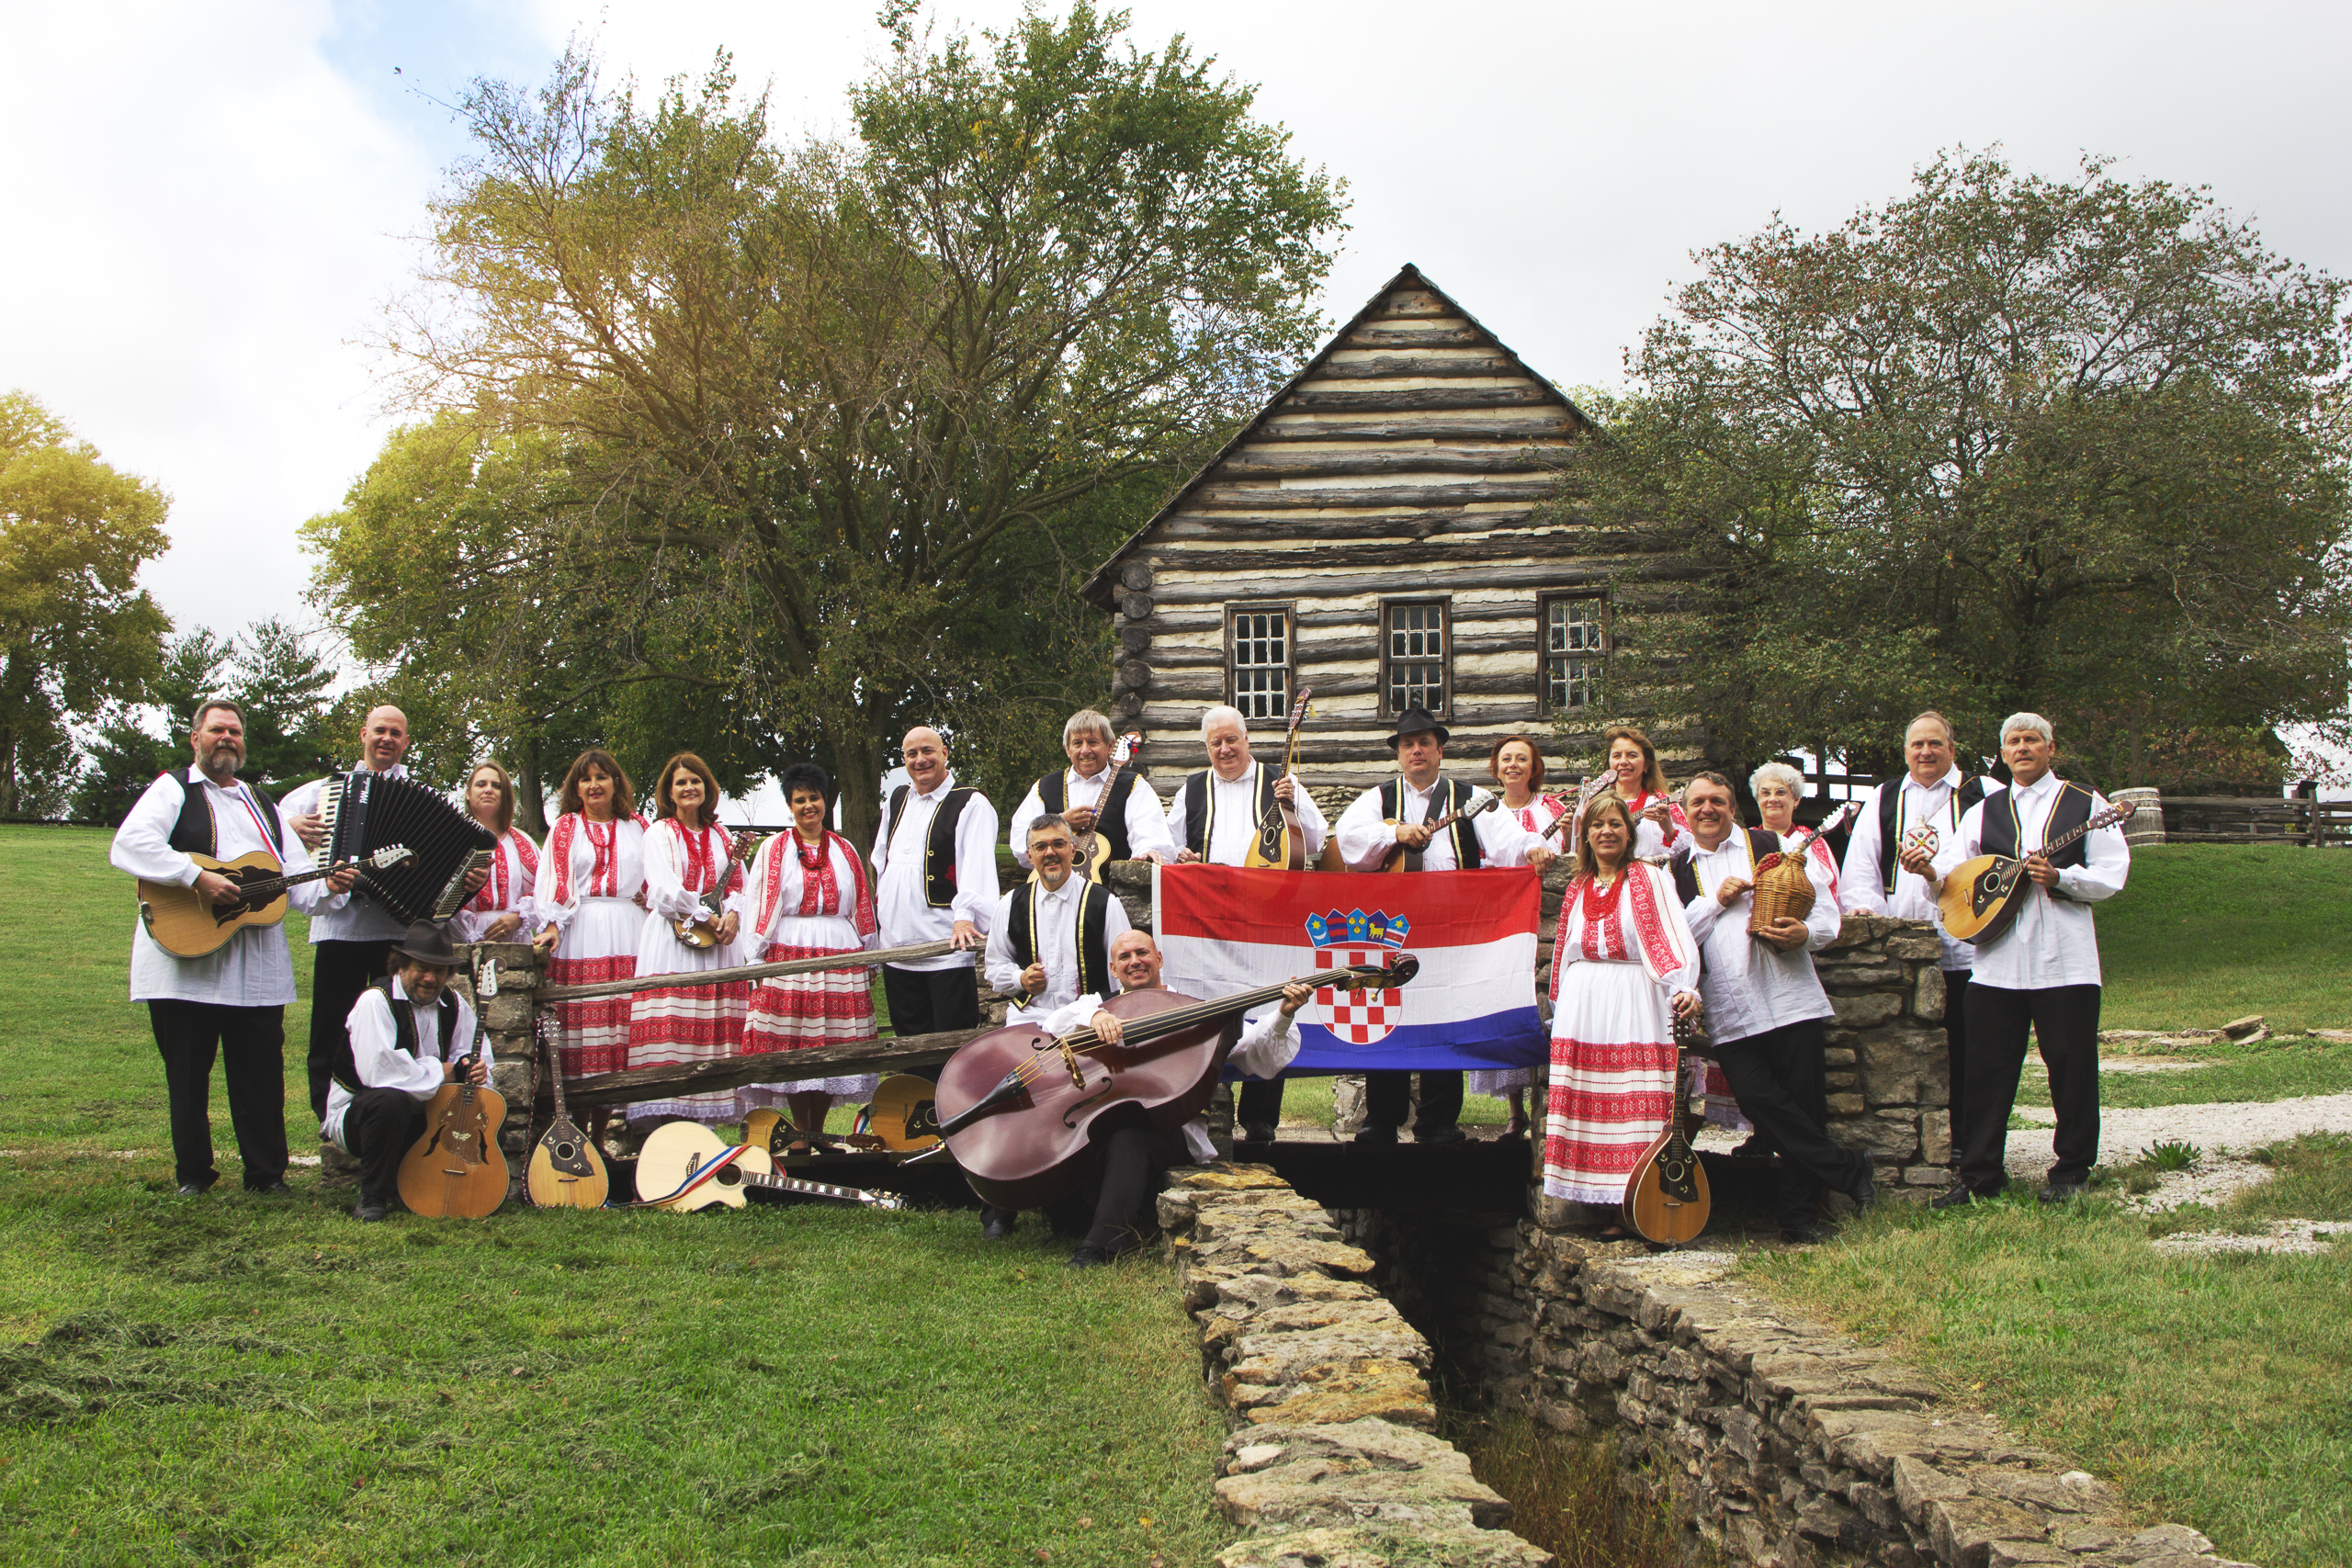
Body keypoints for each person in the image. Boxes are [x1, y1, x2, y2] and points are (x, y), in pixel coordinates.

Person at [109, 700, 357, 1195]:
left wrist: (330, 886)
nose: (227, 738)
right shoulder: (173, 788)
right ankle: (194, 1175)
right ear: (195, 737)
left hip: (255, 970)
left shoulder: (263, 805)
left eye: (236, 732)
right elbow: (130, 843)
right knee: (187, 1076)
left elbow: (294, 884)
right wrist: (196, 877)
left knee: (261, 1076)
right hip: (183, 964)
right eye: (217, 729)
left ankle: (266, 1175)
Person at [1928, 713, 2130, 1207]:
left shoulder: (2086, 805)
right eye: (2013, 741)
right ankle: (1980, 1175)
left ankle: (2071, 1171)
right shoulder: (1983, 811)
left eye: (2032, 740)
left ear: (2050, 748)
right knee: (1986, 1069)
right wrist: (1929, 874)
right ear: (2003, 752)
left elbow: (2113, 871)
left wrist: (2063, 879)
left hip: (2065, 957)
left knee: (2070, 1064)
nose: (2022, 748)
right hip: (1997, 962)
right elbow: (1957, 879)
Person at [1334, 707, 1555, 1145]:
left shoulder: (1469, 797)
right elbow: (1346, 840)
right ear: (1398, 754)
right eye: (1408, 744)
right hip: (1392, 928)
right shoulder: (1379, 799)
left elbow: (1509, 839)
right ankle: (1382, 1118)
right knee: (1387, 1012)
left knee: (1445, 1015)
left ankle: (1438, 1121)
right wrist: (1393, 835)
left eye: (1425, 743)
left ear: (1439, 750)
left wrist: (1534, 847)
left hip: (1452, 926)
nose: (1416, 750)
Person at [1674, 773, 1875, 1243]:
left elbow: (1826, 911)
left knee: (1804, 1109)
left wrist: (1807, 934)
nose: (1708, 809)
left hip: (1788, 997)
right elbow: (1675, 938)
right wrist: (1714, 903)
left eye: (1717, 801)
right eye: (1698, 802)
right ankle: (1848, 1168)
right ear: (1685, 811)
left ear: (1732, 807)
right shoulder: (1678, 869)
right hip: (1730, 1010)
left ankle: (1798, 1219)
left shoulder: (1773, 845)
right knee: (1759, 1104)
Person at [1035, 931, 1315, 1267]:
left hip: (1170, 1131)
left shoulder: (1191, 1011)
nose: (1135, 961)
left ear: (1160, 960)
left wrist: (1283, 1014)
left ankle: (1101, 1247)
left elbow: (1256, 1050)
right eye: (1124, 957)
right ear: (1113, 968)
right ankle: (1067, 1222)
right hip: (1111, 1120)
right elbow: (1052, 1024)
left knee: (1128, 1141)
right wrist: (1094, 1018)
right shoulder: (1100, 1004)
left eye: (1142, 953)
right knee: (1070, 1132)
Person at [1166, 704, 1329, 1144]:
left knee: (1267, 1008)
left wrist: (1294, 805)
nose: (1224, 749)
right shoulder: (1193, 789)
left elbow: (1315, 841)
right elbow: (1169, 846)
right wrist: (1180, 856)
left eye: (1231, 739)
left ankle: (1261, 1120)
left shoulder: (1279, 781)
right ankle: (1210, 1109)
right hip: (1211, 921)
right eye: (1215, 742)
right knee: (1212, 1010)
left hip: (1267, 920)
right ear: (1207, 747)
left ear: (1246, 740)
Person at [1839, 711, 1996, 1170]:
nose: (1925, 752)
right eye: (1916, 745)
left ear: (1952, 747)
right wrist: (1881, 929)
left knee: (1971, 1048)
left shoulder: (1983, 794)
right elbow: (1862, 870)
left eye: (1934, 744)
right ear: (1905, 751)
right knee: (1911, 1050)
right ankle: (1913, 1142)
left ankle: (1971, 1140)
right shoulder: (1885, 798)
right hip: (1905, 953)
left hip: (1971, 947)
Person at [1542, 794, 1703, 1236]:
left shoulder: (1648, 877)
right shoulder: (1578, 886)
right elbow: (1564, 949)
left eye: (1615, 824)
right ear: (1586, 835)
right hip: (1584, 1000)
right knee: (1590, 1100)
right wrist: (1560, 1002)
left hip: (1635, 993)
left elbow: (1670, 931)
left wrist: (1682, 984)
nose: (1606, 832)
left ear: (1629, 833)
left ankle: (1638, 1203)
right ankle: (1602, 1204)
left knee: (1636, 1096)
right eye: (1597, 825)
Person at [978, 813, 1137, 1240]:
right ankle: (999, 1207)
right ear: (1029, 855)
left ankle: (1066, 1196)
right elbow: (994, 967)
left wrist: (1101, 1015)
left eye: (1058, 844)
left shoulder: (1104, 902)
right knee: (1008, 1102)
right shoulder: (1011, 904)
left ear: (1074, 849)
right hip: (1028, 1022)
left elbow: (1122, 972)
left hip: (1086, 1025)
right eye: (1041, 846)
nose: (1050, 853)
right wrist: (1019, 980)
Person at [283, 705, 445, 1123]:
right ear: (363, 735)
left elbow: (444, 859)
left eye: (396, 732)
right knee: (330, 1026)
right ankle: (329, 1117)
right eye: (379, 730)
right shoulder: (324, 790)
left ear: (406, 742)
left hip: (394, 931)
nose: (386, 739)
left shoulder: (420, 797)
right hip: (339, 928)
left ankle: (391, 1112)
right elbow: (273, 831)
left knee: (397, 1023)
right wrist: (295, 825)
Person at [741, 762, 881, 1150]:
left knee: (830, 1048)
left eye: (813, 798)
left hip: (838, 948)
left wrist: (870, 953)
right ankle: (801, 1132)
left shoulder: (845, 849)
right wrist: (756, 954)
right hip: (790, 948)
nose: (807, 806)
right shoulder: (774, 849)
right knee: (796, 1045)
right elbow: (760, 902)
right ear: (790, 806)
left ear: (825, 801)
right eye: (799, 800)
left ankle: (815, 1130)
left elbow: (862, 902)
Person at [321, 920, 482, 1223]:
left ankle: (437, 1184)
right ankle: (373, 1196)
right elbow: (380, 1073)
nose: (430, 978)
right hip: (361, 1117)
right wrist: (448, 1072)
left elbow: (474, 1050)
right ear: (401, 966)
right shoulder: (375, 1001)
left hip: (425, 1116)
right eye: (422, 968)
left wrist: (473, 1067)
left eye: (439, 971)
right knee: (389, 1101)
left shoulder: (454, 1003)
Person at [626, 751, 752, 1128]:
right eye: (680, 782)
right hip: (672, 940)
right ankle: (666, 1124)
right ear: (669, 791)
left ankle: (705, 1125)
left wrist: (733, 915)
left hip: (717, 945)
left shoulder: (722, 835)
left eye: (695, 780)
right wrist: (706, 914)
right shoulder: (658, 833)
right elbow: (664, 889)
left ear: (706, 787)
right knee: (673, 1021)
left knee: (712, 1025)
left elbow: (741, 883)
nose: (688, 788)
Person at [533, 750, 648, 1149]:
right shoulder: (566, 827)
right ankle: (578, 1135)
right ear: (576, 788)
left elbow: (654, 880)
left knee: (620, 1029)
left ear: (617, 783)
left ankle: (604, 1134)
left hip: (630, 930)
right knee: (583, 1033)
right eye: (586, 779)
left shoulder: (638, 827)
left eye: (602, 777)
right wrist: (552, 923)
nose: (594, 784)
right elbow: (554, 878)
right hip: (581, 929)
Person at [871, 726, 1000, 1042]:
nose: (920, 760)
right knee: (909, 1041)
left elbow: (977, 865)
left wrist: (964, 917)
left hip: (944, 946)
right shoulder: (897, 799)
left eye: (928, 751)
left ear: (945, 753)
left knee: (952, 1045)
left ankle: (950, 1094)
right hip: (898, 946)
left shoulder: (971, 803)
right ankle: (917, 1094)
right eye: (911, 754)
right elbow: (881, 861)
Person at [1474, 734, 1568, 1136]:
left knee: (1541, 1003)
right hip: (1497, 914)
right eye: (1506, 759)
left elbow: (1564, 855)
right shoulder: (1484, 810)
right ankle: (1515, 1112)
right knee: (1504, 1000)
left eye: (1522, 759)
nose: (1513, 765)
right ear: (1495, 767)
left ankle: (1544, 1106)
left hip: (1543, 916)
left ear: (1535, 768)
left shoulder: (1553, 810)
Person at [1007, 709, 1174, 873]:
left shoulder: (1133, 785)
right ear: (1067, 749)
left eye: (1093, 742)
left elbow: (1150, 832)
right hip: (1053, 889)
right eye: (1077, 743)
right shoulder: (1044, 786)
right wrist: (1058, 824)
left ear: (1110, 746)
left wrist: (1148, 852)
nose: (1085, 750)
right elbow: (1020, 844)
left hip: (1112, 891)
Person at [450, 761, 539, 944]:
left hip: (514, 939)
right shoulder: (452, 840)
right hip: (461, 939)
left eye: (496, 786)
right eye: (481, 784)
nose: (488, 790)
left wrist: (519, 917)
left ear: (505, 795)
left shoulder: (521, 842)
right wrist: (467, 933)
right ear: (468, 794)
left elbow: (545, 890)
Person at [1750, 761, 1840, 902]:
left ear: (1796, 800)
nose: (1773, 799)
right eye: (1765, 793)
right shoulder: (1746, 840)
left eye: (1781, 792)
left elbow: (1827, 891)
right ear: (1757, 799)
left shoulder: (1814, 843)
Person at [1599, 724, 1688, 862]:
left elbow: (1689, 853)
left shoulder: (1662, 804)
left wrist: (1669, 830)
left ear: (1646, 765)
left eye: (1632, 755)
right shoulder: (1598, 806)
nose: (1623, 762)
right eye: (1617, 756)